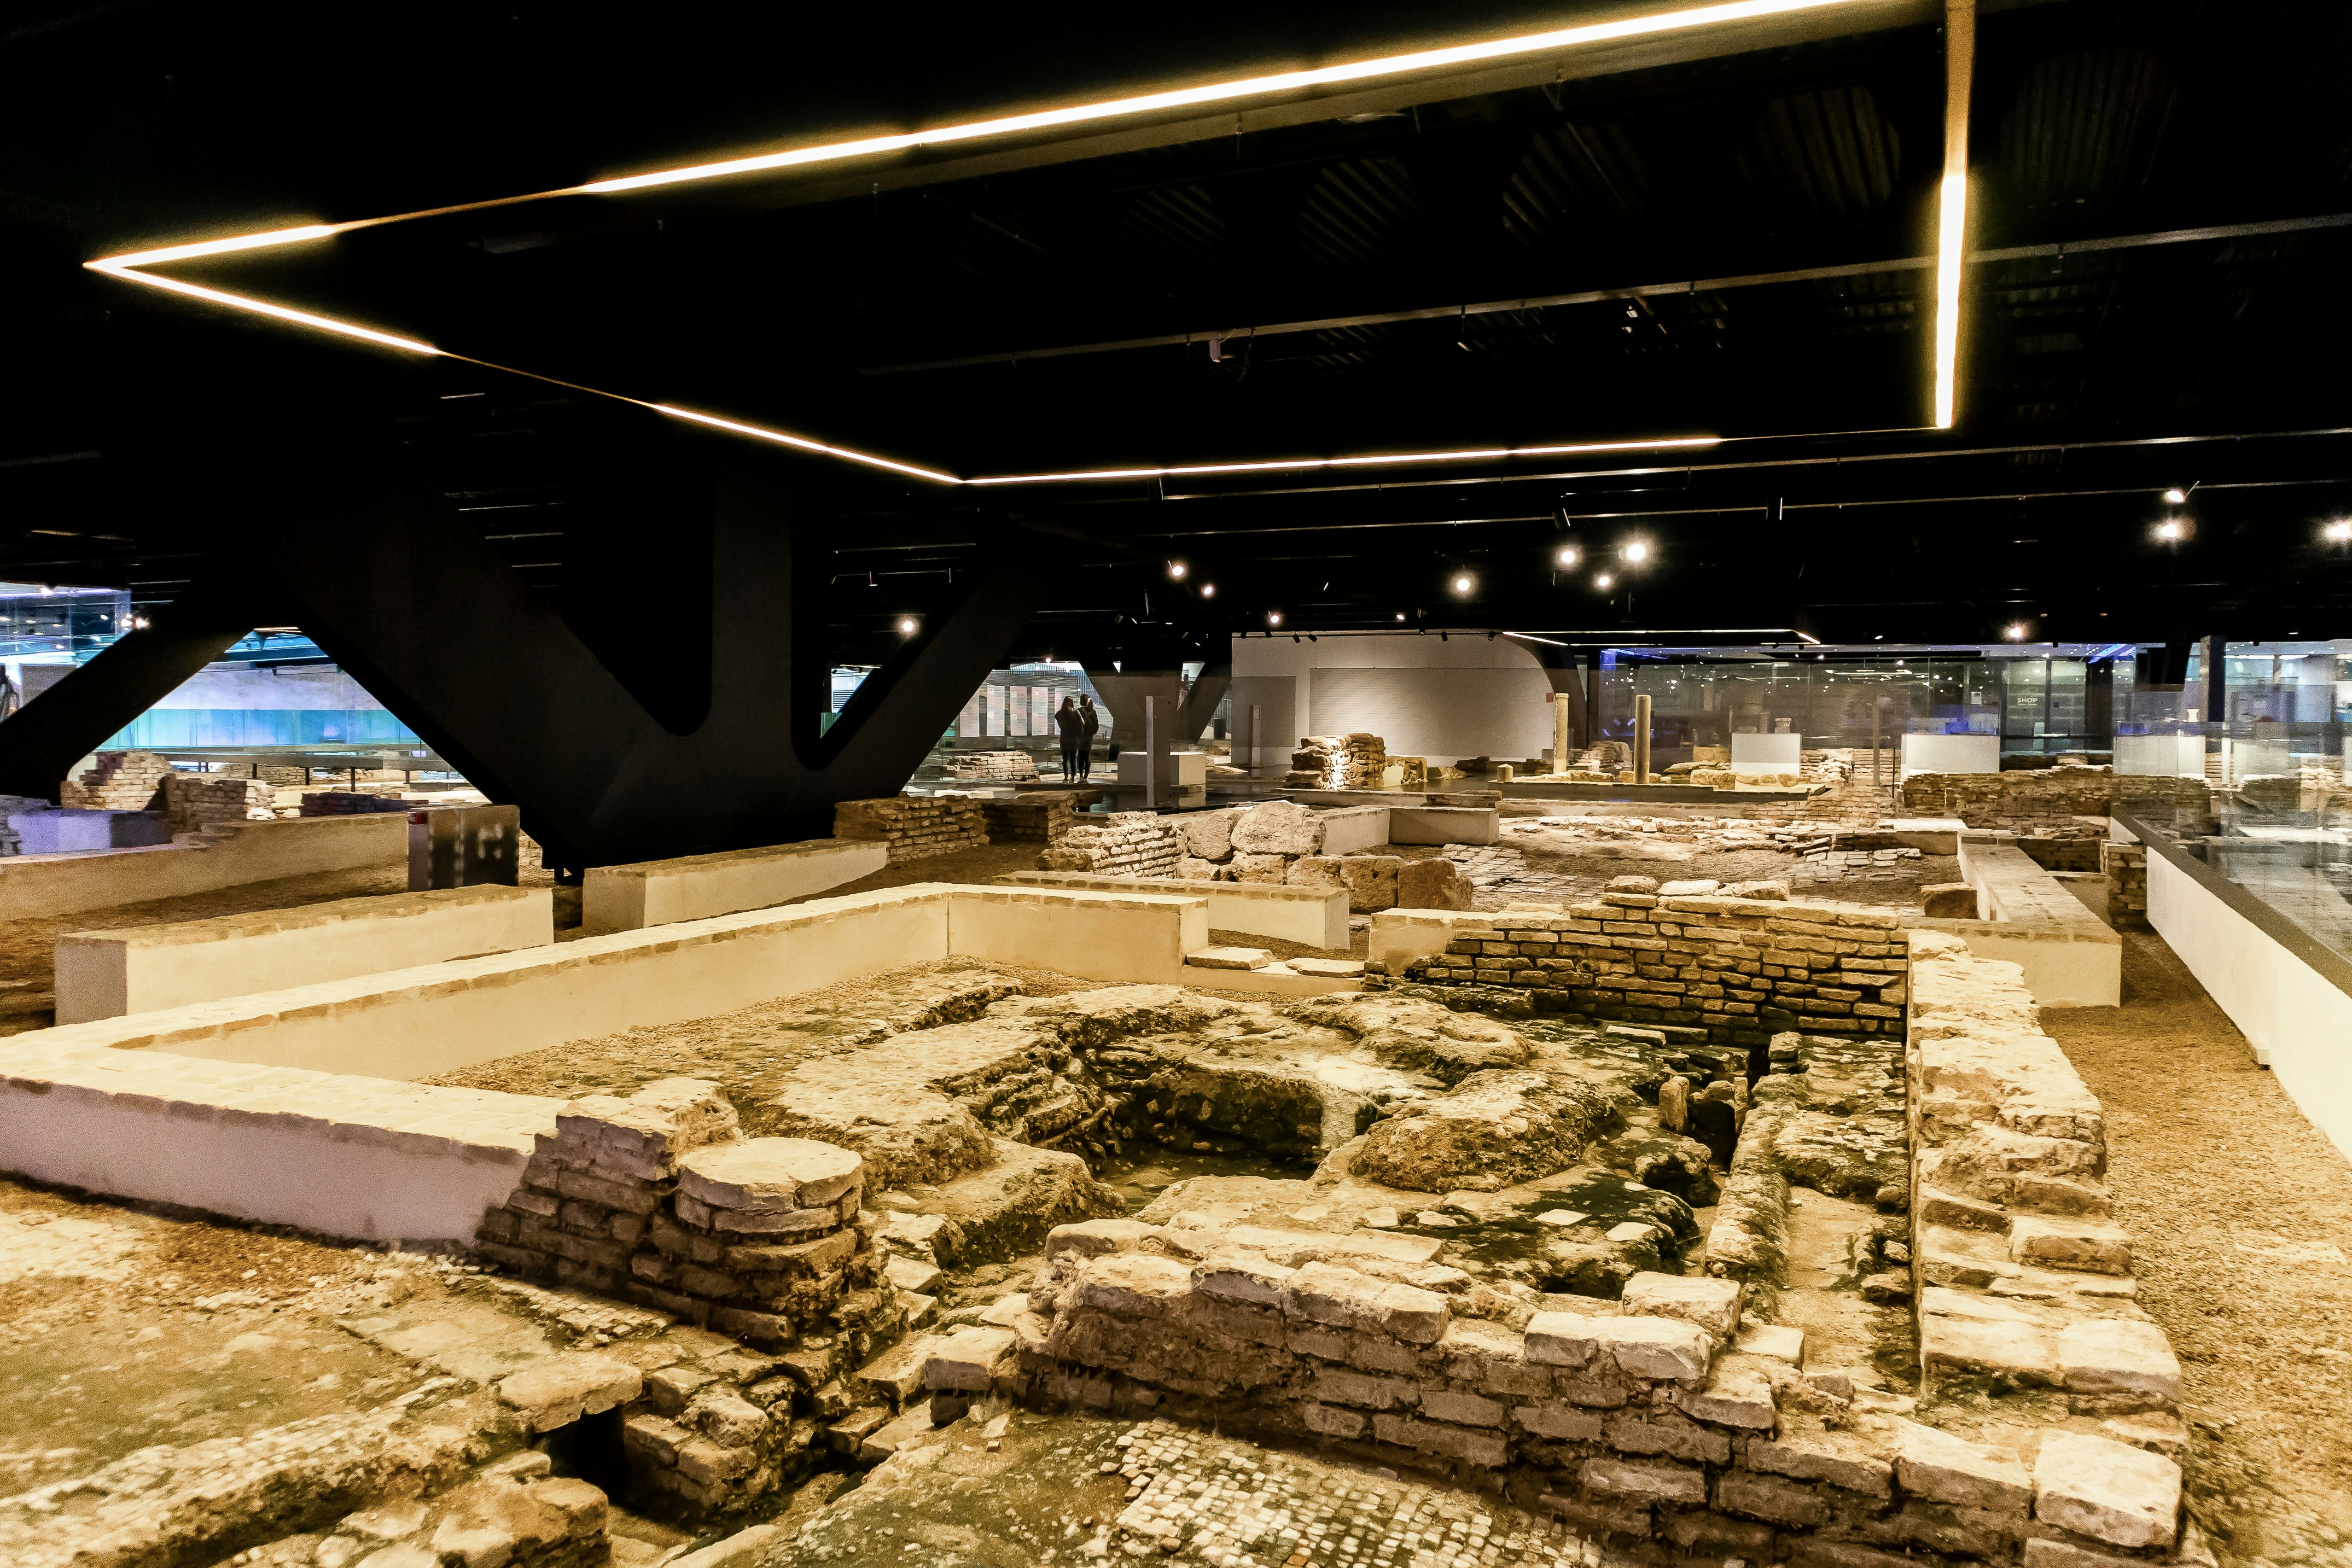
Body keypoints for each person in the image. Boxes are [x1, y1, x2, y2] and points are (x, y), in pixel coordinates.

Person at [1053, 696, 1085, 782]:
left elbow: (1061, 726)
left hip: (1064, 737)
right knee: (1073, 758)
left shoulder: (1060, 713)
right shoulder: (1076, 712)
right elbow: (1082, 723)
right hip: (1074, 738)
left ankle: (1066, 777)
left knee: (1065, 759)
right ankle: (1073, 777)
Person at [1077, 695, 1101, 780]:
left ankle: (1081, 776)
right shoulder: (1093, 711)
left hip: (1081, 737)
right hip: (1090, 737)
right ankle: (1086, 776)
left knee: (1080, 756)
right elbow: (1096, 725)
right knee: (1087, 756)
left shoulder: (1079, 711)